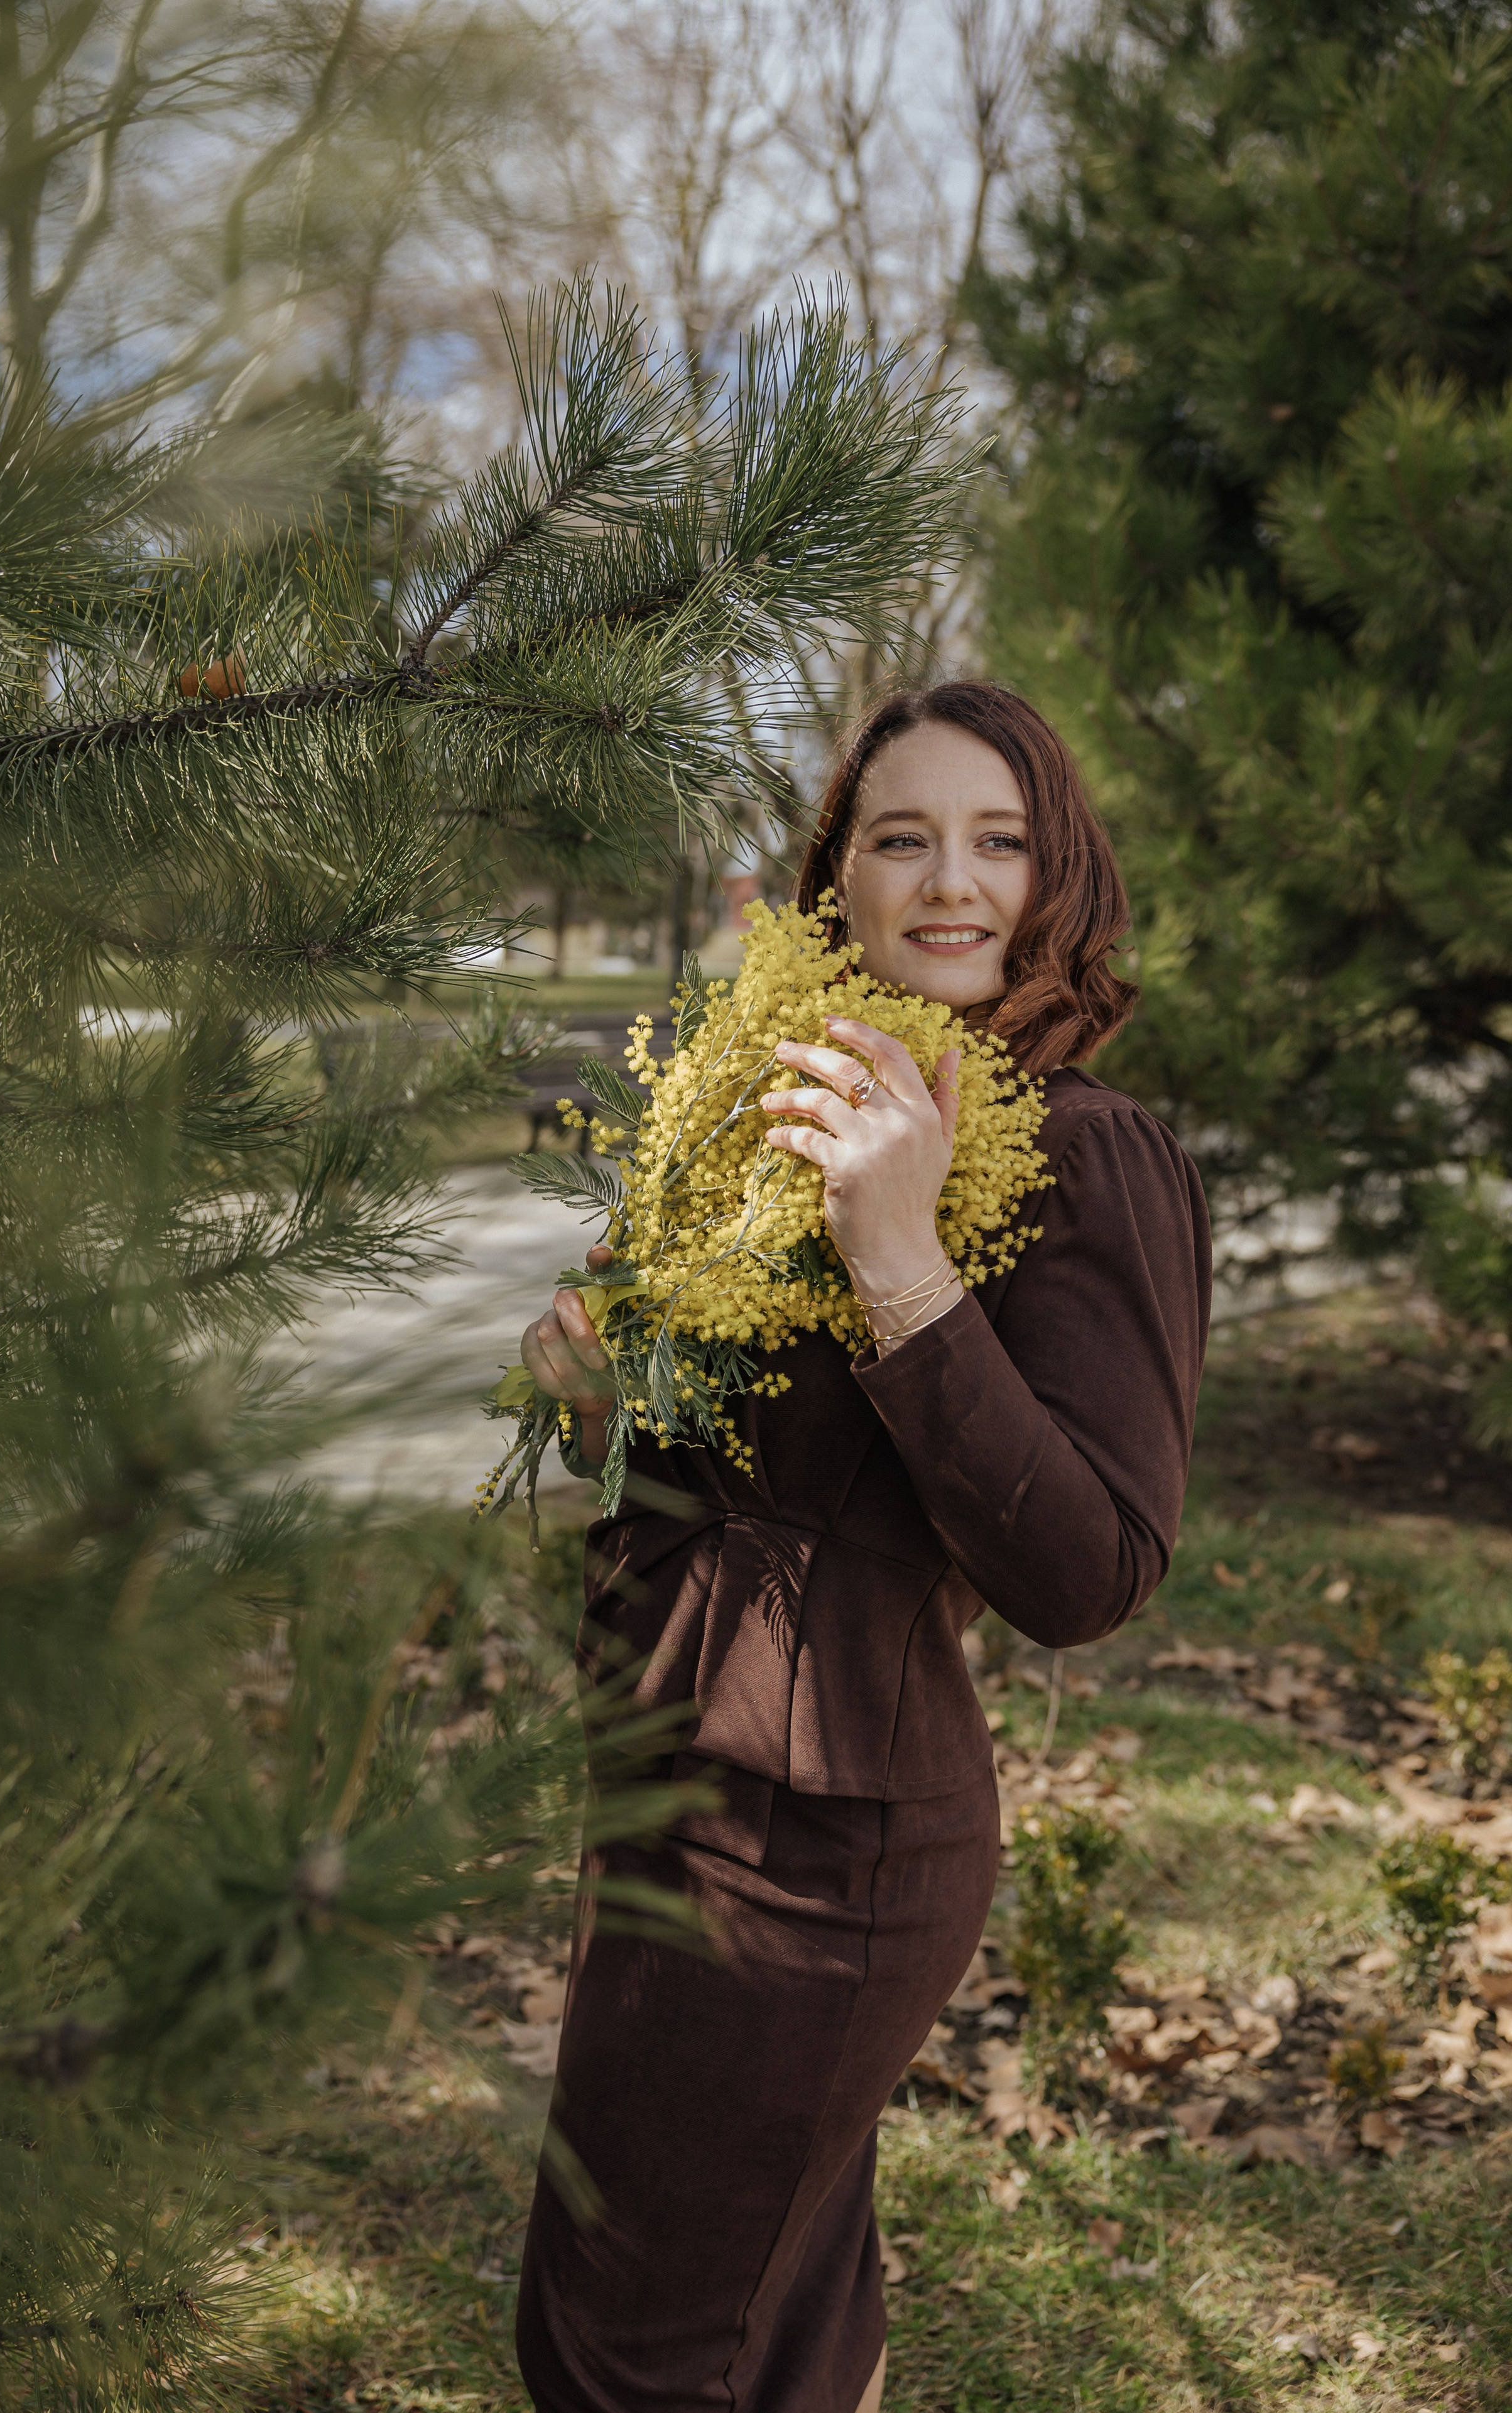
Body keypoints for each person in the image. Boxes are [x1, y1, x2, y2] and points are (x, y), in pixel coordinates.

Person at [513, 682, 1211, 2413]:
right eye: (902, 837)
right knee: (772, 2305)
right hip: (665, 1764)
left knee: (641, 2353)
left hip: (826, 1843)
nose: (952, 880)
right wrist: (611, 1401)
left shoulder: (1087, 1154)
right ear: (841, 876)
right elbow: (745, 1476)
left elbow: (1094, 1572)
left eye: (1001, 838)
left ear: (1062, 873)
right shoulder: (796, 1091)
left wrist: (907, 1268)